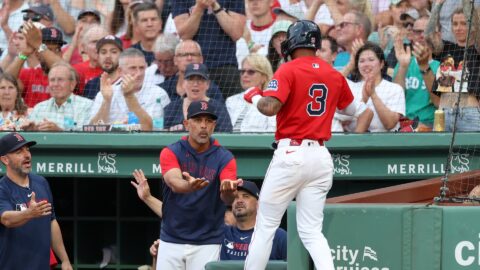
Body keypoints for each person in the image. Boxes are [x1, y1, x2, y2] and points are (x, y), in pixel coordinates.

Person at [242, 20, 369, 270]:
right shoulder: (333, 74)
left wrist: (255, 95)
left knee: (266, 225)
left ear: (294, 42)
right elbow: (357, 110)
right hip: (321, 157)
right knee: (311, 232)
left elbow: (269, 108)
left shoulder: (288, 69)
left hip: (291, 152)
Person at [130, 100, 242, 270]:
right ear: (186, 124)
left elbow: (226, 197)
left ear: (214, 125)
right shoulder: (171, 151)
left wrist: (229, 190)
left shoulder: (225, 158)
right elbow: (174, 182)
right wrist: (190, 186)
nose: (203, 126)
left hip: (207, 242)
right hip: (171, 240)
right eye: (198, 120)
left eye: (208, 121)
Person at [0, 132, 72, 269]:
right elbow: (6, 219)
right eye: (19, 152)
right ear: (5, 160)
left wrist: (65, 259)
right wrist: (29, 213)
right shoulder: (2, 189)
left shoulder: (41, 182)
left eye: (27, 149)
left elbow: (52, 221)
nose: (27, 155)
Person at [172, 0, 246, 99]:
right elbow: (185, 35)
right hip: (194, 69)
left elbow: (237, 33)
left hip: (226, 68)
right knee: (195, 111)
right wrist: (199, 8)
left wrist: (215, 5)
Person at [89, 48, 170, 131]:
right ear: (120, 71)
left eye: (142, 68)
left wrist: (129, 96)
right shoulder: (106, 92)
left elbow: (151, 129)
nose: (139, 73)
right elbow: (93, 129)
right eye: (133, 68)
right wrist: (106, 101)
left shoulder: (158, 94)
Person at [345, 42, 405, 132]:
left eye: (371, 60)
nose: (366, 64)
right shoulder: (350, 87)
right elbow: (345, 123)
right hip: (354, 141)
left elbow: (390, 124)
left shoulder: (394, 89)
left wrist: (373, 95)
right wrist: (363, 100)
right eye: (361, 61)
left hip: (385, 143)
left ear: (381, 64)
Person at [393, 15, 440, 129]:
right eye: (418, 32)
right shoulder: (403, 63)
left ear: (436, 35)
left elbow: (439, 103)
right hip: (403, 123)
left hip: (430, 124)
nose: (422, 36)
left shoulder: (441, 66)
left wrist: (424, 66)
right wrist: (403, 67)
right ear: (411, 35)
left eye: (427, 31)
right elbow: (394, 98)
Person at [221, 180, 286, 261]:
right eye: (236, 197)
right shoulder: (223, 233)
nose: (239, 201)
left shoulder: (276, 235)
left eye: (245, 196)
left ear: (258, 204)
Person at [5, 23, 66, 107]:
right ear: (37, 53)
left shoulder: (71, 75)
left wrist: (39, 46)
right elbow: (6, 82)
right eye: (48, 49)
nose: (54, 54)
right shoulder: (29, 74)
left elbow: (62, 70)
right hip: (31, 119)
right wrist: (24, 53)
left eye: (58, 49)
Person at [22, 62, 93, 131]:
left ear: (72, 84)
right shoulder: (39, 108)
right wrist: (32, 130)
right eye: (52, 80)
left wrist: (59, 131)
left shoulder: (86, 106)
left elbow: (87, 137)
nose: (55, 84)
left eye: (60, 80)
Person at [163, 63, 232, 132]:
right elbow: (161, 134)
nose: (195, 84)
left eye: (200, 80)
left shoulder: (218, 108)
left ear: (207, 84)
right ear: (184, 83)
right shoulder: (171, 108)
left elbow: (226, 135)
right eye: (191, 80)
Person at [159, 40, 224, 102]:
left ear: (201, 59)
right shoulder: (162, 89)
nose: (189, 58)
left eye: (193, 54)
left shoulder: (211, 89)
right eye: (184, 55)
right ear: (175, 60)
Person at [226, 54, 276, 132]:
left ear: (264, 77)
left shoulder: (271, 101)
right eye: (242, 71)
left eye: (251, 72)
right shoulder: (231, 101)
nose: (245, 75)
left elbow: (272, 132)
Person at [83, 35, 123, 100]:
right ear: (98, 56)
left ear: (122, 55)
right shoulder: (91, 84)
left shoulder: (128, 83)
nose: (108, 56)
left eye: (113, 52)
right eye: (103, 52)